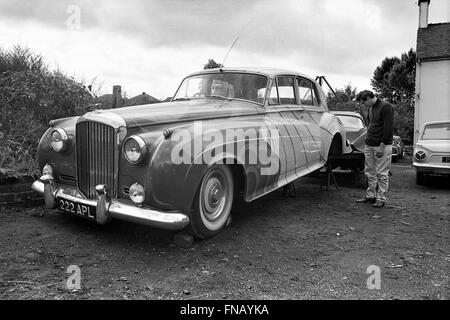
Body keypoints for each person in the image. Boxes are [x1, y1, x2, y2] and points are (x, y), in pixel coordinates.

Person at [355, 90, 394, 208]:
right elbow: (371, 125)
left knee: (382, 173)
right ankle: (370, 196)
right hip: (369, 144)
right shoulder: (371, 107)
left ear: (368, 98)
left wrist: (382, 146)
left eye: (363, 102)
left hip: (381, 145)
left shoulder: (386, 107)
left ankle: (381, 199)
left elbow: (388, 128)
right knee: (369, 172)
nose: (363, 105)